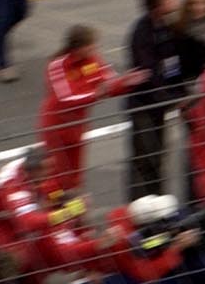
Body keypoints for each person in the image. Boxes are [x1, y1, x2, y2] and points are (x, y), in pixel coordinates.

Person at [39, 25, 146, 200]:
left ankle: (75, 218)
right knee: (56, 178)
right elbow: (64, 98)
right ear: (78, 48)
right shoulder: (57, 65)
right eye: (91, 46)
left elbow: (110, 82)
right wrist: (96, 94)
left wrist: (127, 82)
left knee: (76, 178)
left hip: (77, 127)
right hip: (55, 129)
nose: (95, 49)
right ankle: (53, 215)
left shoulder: (93, 60)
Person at [125, 0, 187, 201]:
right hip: (145, 104)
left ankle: (159, 204)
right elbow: (148, 74)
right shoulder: (142, 32)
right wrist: (171, 99)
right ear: (157, 3)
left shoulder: (169, 27)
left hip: (160, 104)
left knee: (158, 158)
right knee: (144, 159)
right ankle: (141, 207)